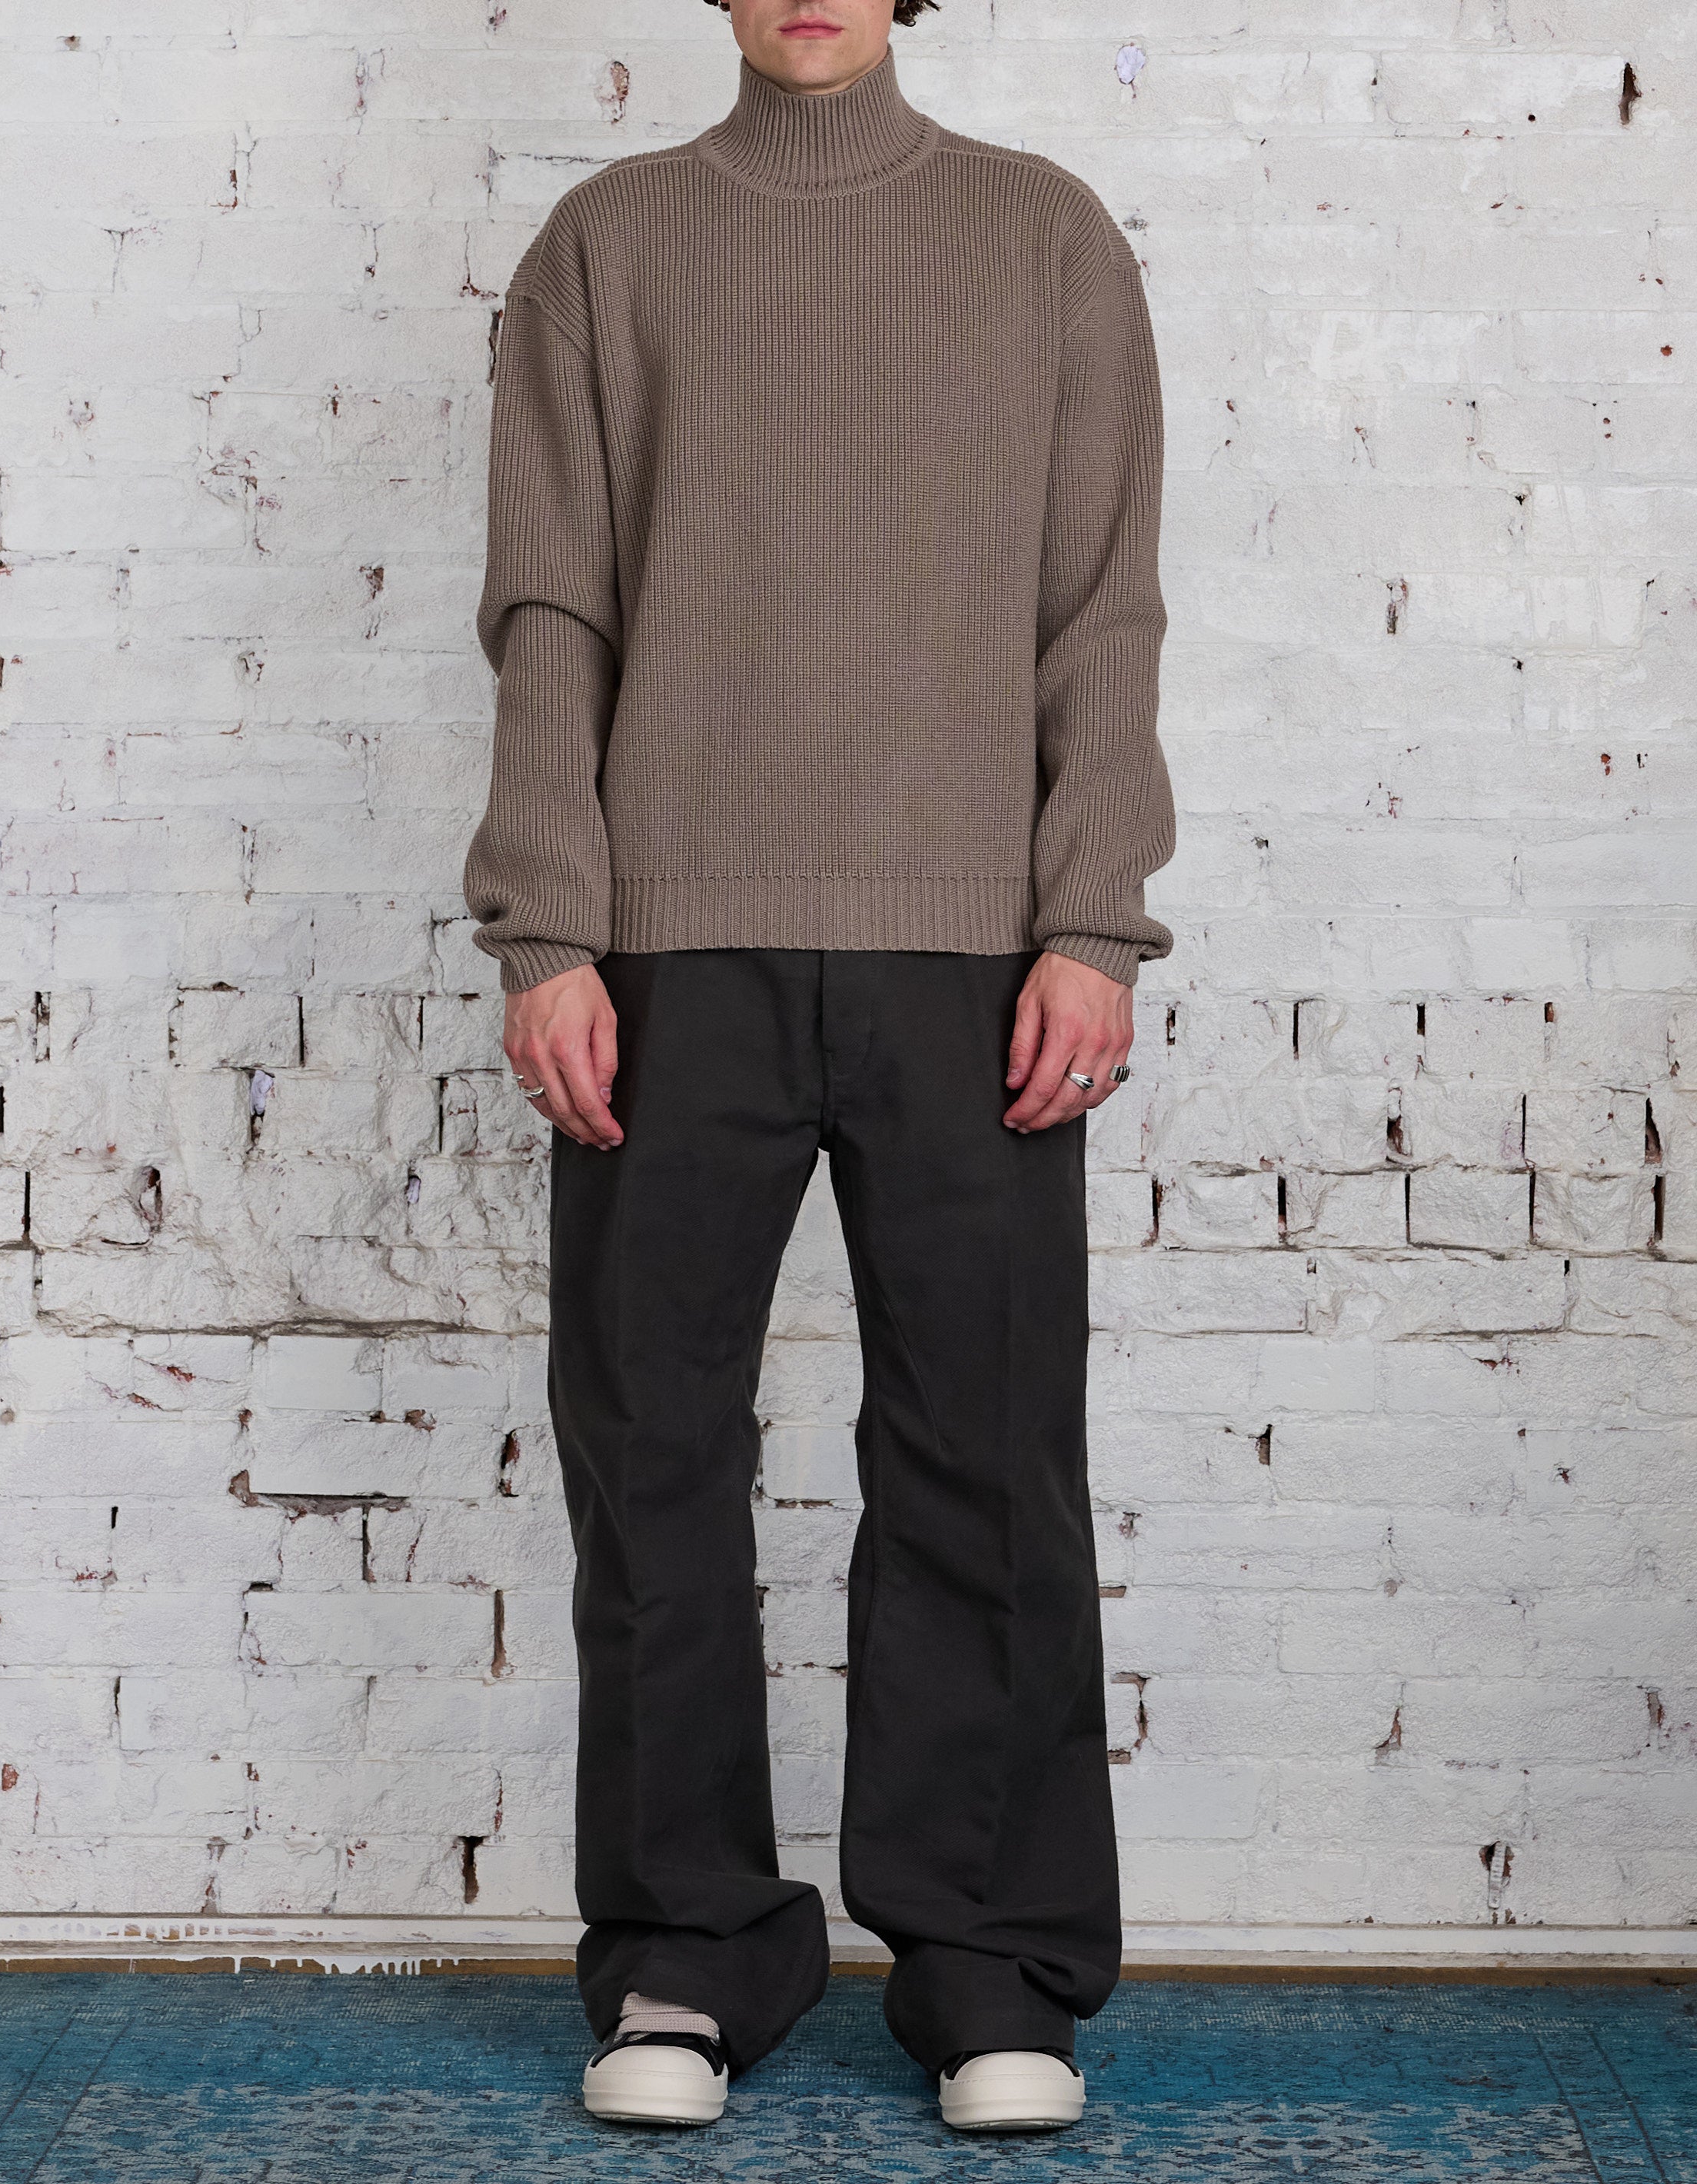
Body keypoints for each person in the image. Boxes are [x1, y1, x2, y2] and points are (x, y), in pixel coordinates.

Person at [462, 0, 1174, 2137]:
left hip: (979, 958)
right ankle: (684, 1953)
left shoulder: (1041, 236)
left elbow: (1102, 609)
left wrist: (1092, 919)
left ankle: (988, 1966)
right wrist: (549, 931)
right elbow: (552, 608)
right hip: (666, 954)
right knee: (652, 1455)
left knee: (987, 1459)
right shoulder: (609, 244)